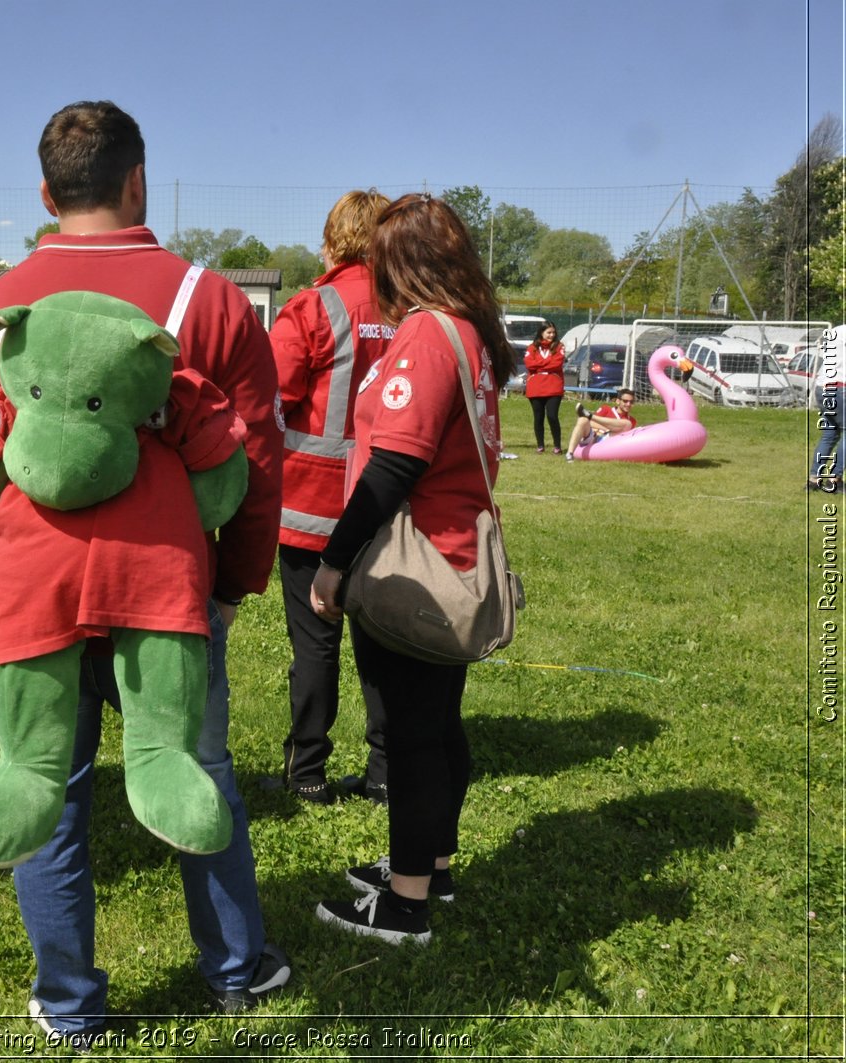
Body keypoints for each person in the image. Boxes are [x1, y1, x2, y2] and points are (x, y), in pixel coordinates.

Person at [0, 100, 288, 1040]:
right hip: (169, 586)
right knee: (195, 764)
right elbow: (255, 461)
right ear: (138, 182)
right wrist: (234, 583)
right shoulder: (207, 300)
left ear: (44, 193)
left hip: (33, 593)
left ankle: (71, 1000)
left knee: (45, 774)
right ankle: (237, 969)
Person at [308, 193, 512, 945]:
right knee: (436, 724)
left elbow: (393, 465)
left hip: (418, 562)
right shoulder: (470, 329)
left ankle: (406, 902)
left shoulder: (429, 332)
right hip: (450, 550)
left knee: (414, 735)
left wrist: (334, 561)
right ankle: (429, 863)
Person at [270, 189, 391, 807]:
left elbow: (269, 397)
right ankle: (385, 773)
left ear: (332, 239)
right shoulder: (412, 309)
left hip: (313, 508)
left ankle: (308, 772)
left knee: (315, 642)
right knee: (383, 643)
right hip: (388, 509)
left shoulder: (314, 306)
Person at [524, 322, 564, 452]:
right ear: (541, 333)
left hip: (553, 386)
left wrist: (538, 365)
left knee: (552, 415)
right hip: (536, 386)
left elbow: (557, 364)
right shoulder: (532, 347)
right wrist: (546, 363)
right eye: (548, 332)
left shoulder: (559, 346)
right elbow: (529, 364)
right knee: (538, 417)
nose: (551, 335)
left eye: (553, 332)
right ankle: (540, 445)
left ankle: (557, 445)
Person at [566, 389, 637, 460]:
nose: (628, 404)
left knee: (627, 424)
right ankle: (570, 454)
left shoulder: (632, 420)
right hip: (594, 437)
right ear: (618, 401)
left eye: (631, 402)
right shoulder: (606, 409)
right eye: (625, 401)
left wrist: (608, 429)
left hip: (611, 441)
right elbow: (590, 423)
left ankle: (589, 415)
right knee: (582, 419)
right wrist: (605, 428)